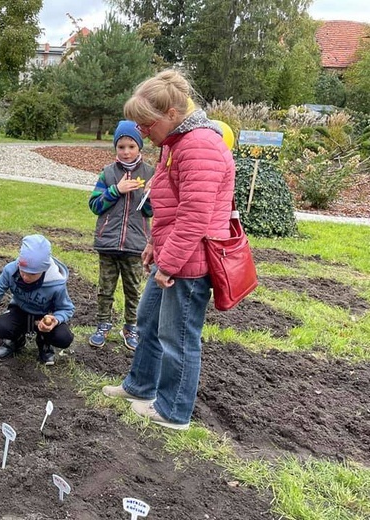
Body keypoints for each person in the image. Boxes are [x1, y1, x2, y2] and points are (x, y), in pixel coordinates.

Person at [102, 69, 235, 431]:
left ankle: (173, 411)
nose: (142, 133)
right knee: (147, 321)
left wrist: (169, 264)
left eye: (147, 124)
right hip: (173, 255)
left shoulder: (198, 146)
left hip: (189, 265)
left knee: (178, 338)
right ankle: (140, 387)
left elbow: (194, 217)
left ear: (172, 115)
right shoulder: (176, 142)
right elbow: (168, 203)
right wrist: (152, 243)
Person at [88, 121, 154, 351]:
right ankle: (103, 324)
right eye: (121, 147)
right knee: (105, 288)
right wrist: (116, 190)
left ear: (140, 148)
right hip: (108, 243)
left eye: (131, 146)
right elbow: (95, 205)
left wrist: (149, 198)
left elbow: (151, 212)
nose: (126, 152)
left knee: (133, 289)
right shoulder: (107, 173)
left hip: (136, 245)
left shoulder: (149, 174)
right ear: (116, 148)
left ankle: (130, 327)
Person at [0, 235, 75, 367]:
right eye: (23, 271)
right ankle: (16, 340)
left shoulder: (56, 284)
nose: (26, 277)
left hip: (43, 317)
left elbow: (66, 309)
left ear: (44, 270)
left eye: (33, 274)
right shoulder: (10, 271)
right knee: (0, 327)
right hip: (19, 311)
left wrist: (54, 320)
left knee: (63, 338)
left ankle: (44, 341)